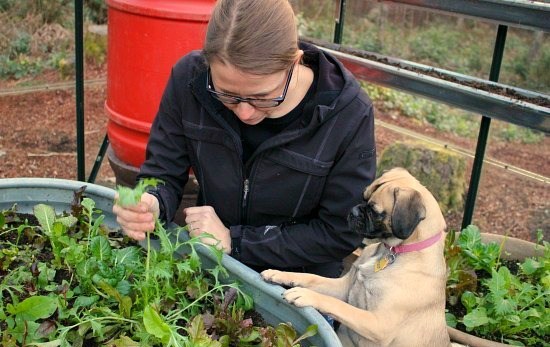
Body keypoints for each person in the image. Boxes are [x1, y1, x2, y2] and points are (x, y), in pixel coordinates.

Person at [113, 0, 376, 279]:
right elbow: (163, 170)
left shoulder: (347, 114)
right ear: (208, 63)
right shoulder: (189, 80)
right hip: (214, 264)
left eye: (263, 97)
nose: (245, 112)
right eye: (226, 95)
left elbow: (339, 232)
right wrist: (152, 202)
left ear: (295, 62)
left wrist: (236, 241)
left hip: (301, 282)